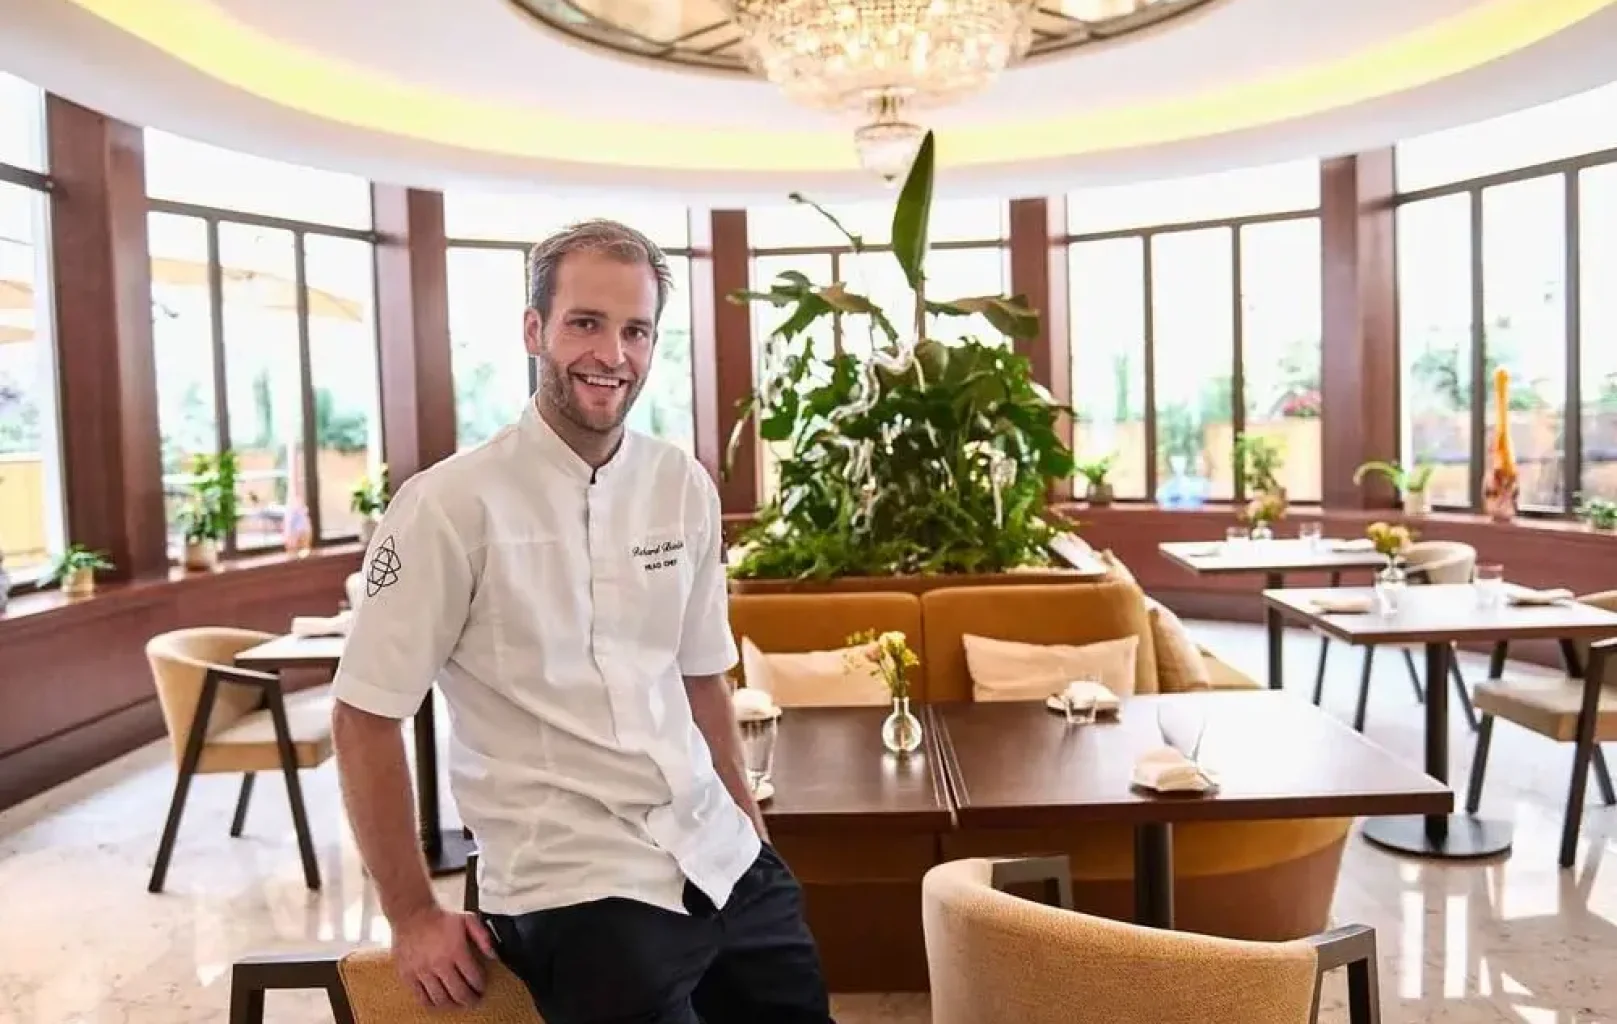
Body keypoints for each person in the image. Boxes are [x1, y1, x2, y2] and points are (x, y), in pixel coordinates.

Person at [329, 219, 835, 1024]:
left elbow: (702, 676)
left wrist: (752, 829)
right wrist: (412, 914)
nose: (613, 354)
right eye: (585, 323)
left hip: (720, 853)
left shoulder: (682, 485)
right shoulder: (449, 504)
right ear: (534, 330)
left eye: (635, 330)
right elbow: (363, 715)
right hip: (574, 880)